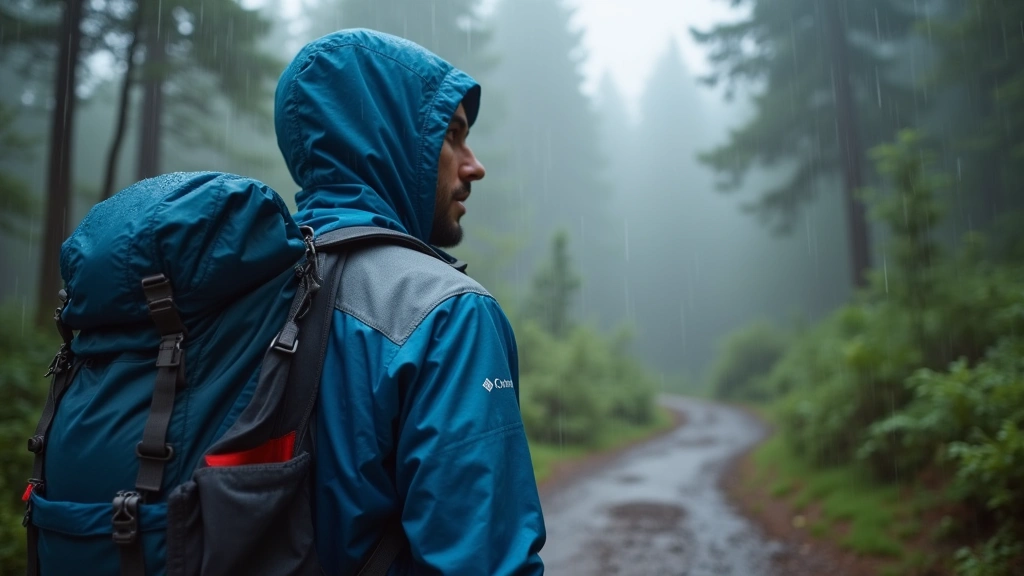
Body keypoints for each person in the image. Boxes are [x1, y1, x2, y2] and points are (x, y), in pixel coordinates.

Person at [273, 29, 547, 574]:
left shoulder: (251, 285)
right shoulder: (445, 312)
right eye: (452, 135)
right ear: (391, 141)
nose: (474, 165)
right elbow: (481, 561)